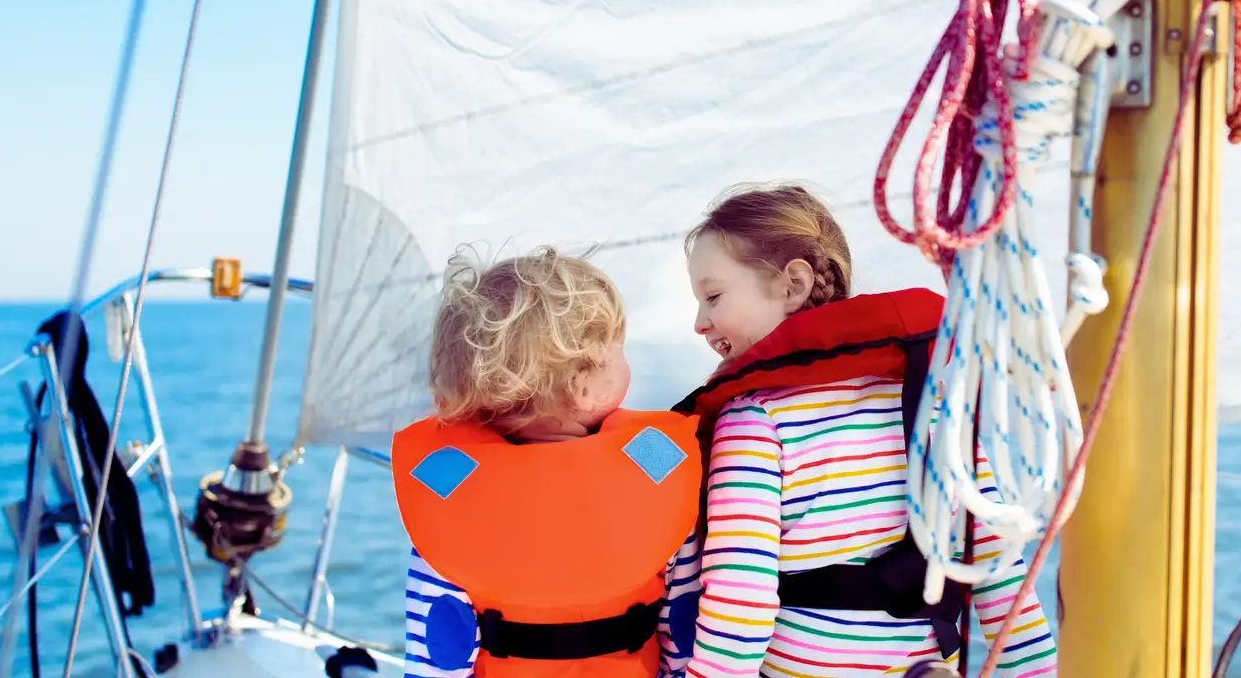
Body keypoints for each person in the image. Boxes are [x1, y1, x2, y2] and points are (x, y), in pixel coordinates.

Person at [673, 184, 1057, 678]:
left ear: (793, 284)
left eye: (713, 296)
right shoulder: (928, 396)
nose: (700, 323)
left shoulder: (753, 420)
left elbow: (740, 594)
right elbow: (996, 561)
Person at [395, 246, 703, 678]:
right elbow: (683, 624)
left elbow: (438, 650)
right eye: (617, 348)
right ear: (583, 387)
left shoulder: (449, 494)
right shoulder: (656, 468)